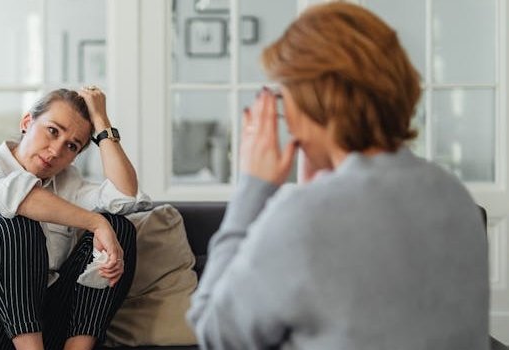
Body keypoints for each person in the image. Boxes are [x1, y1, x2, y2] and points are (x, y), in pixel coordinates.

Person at [187, 2, 488, 349]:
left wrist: (252, 188)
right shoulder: (454, 196)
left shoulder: (304, 216)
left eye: (285, 98)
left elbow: (216, 333)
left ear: (313, 98)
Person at [0, 87, 151, 350]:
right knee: (17, 219)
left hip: (37, 322)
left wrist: (102, 123)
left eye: (71, 145)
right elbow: (20, 198)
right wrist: (96, 223)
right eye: (53, 131)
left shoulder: (67, 183)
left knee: (119, 227)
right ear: (27, 122)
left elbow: (125, 196)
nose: (55, 150)